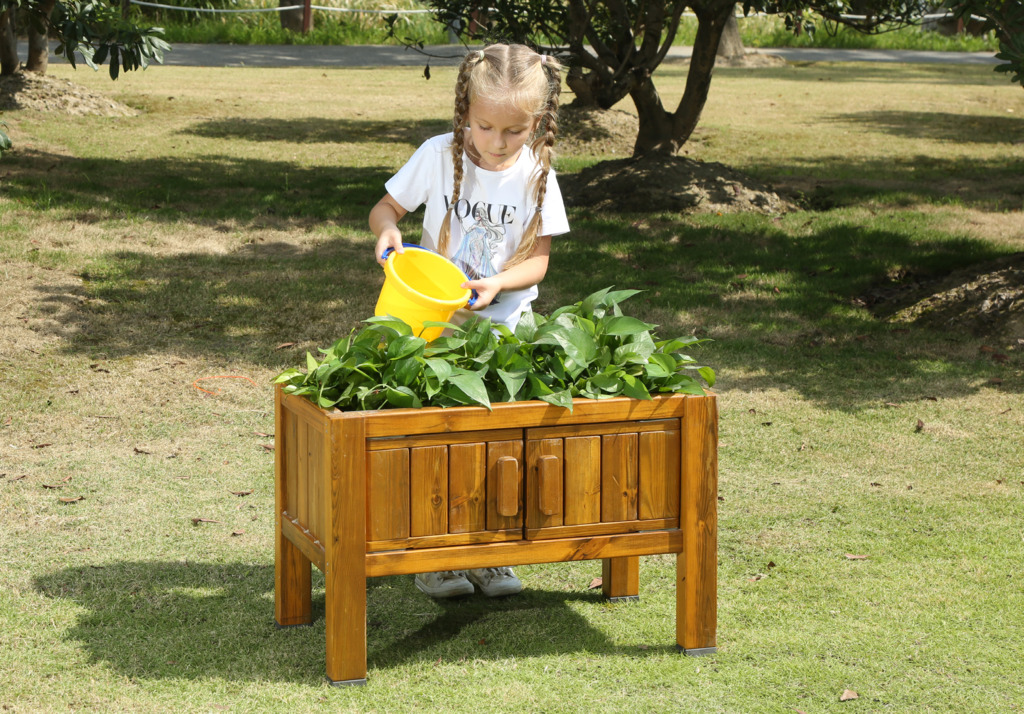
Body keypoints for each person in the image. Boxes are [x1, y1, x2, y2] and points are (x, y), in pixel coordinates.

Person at [369, 43, 569, 599]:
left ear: (538, 123)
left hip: (504, 334)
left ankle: (490, 554)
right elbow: (385, 209)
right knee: (437, 442)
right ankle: (435, 557)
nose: (497, 142)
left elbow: (538, 263)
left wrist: (499, 283)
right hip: (437, 330)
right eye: (484, 127)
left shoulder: (538, 174)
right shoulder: (438, 154)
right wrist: (388, 231)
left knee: (498, 446)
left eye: (514, 131)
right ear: (465, 113)